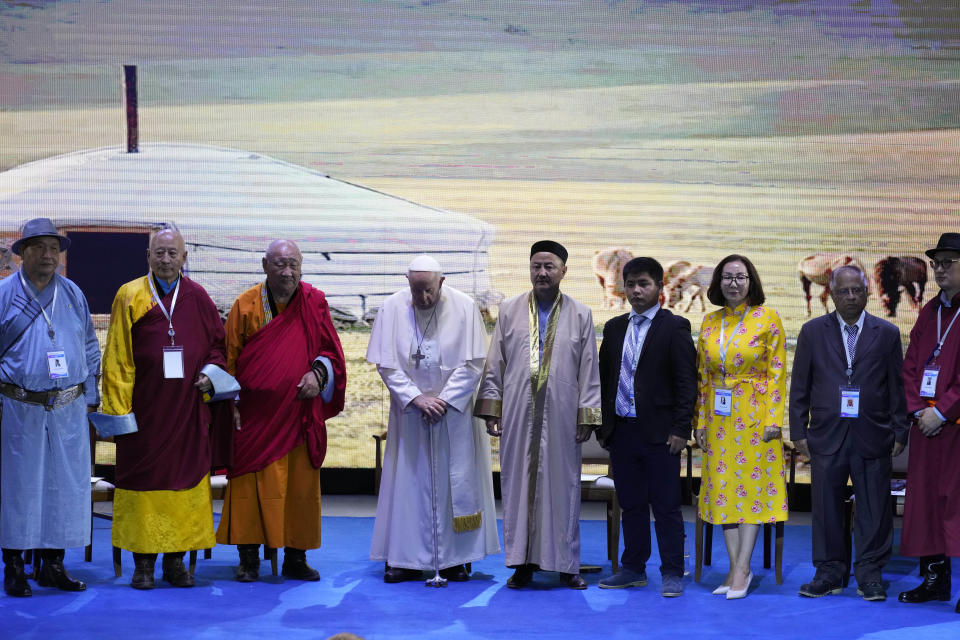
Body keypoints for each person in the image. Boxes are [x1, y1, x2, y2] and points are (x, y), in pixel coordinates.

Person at [95, 227, 235, 590]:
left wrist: (208, 374)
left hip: (188, 412)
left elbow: (218, 349)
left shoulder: (198, 297)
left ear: (184, 258)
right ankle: (143, 564)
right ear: (148, 256)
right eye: (160, 253)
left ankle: (176, 563)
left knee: (183, 485)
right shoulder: (130, 295)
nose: (167, 259)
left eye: (173, 253)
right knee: (144, 485)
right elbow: (117, 360)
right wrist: (120, 412)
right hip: (144, 414)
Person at [215, 239, 346, 582]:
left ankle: (295, 557)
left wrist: (319, 375)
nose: (287, 272)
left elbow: (332, 352)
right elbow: (228, 360)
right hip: (255, 416)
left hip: (300, 414)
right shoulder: (245, 305)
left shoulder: (314, 302)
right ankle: (248, 557)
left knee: (299, 489)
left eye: (293, 265)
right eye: (279, 264)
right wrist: (232, 406)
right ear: (264, 265)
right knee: (249, 487)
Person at [475, 240, 602, 590]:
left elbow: (588, 369)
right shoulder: (511, 310)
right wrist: (491, 408)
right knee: (517, 487)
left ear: (563, 270)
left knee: (563, 488)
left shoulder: (580, 313)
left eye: (549, 266)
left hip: (562, 416)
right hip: (517, 413)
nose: (542, 272)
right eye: (536, 266)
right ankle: (522, 564)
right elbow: (495, 363)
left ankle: (566, 565)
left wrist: (586, 416)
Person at [367, 255, 499, 583]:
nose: (424, 299)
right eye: (417, 291)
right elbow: (386, 364)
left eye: (429, 291)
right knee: (409, 484)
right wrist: (416, 398)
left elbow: (472, 364)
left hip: (452, 415)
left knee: (454, 483)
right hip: (411, 415)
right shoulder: (392, 308)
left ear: (441, 282)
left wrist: (442, 400)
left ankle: (456, 558)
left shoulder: (465, 307)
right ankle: (405, 559)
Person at [790, 265, 907, 601]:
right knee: (826, 507)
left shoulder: (886, 333)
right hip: (826, 435)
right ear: (832, 293)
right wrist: (799, 432)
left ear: (867, 291)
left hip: (873, 433)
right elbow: (800, 387)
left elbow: (896, 389)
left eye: (857, 290)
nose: (851, 297)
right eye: (844, 291)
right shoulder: (812, 332)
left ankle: (869, 574)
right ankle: (829, 572)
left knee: (874, 507)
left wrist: (900, 430)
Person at [1, 218, 100, 597]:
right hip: (18, 407)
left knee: (64, 487)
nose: (48, 255)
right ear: (22, 253)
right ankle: (13, 566)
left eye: (53, 248)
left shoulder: (72, 293)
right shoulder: (5, 294)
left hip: (68, 410)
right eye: (39, 248)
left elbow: (90, 345)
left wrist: (91, 397)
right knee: (20, 488)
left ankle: (53, 565)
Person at [596, 257, 697, 596]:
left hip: (661, 435)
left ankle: (672, 570)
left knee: (666, 506)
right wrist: (604, 429)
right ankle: (633, 567)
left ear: (658, 288)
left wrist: (682, 429)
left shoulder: (675, 327)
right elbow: (605, 380)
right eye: (631, 284)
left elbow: (687, 383)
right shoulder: (613, 328)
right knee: (632, 503)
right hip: (622, 433)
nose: (637, 290)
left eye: (644, 284)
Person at [693, 254, 788, 599]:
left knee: (751, 492)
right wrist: (700, 420)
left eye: (741, 277)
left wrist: (774, 421)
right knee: (723, 491)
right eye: (728, 277)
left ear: (752, 282)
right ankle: (735, 569)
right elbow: (703, 376)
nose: (734, 283)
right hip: (718, 419)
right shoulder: (709, 321)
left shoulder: (769, 318)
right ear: (718, 282)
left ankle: (743, 568)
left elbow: (778, 374)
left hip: (754, 416)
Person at [898, 232, 960, 613]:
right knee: (926, 506)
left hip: (954, 426)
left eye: (948, 262)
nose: (939, 269)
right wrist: (919, 409)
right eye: (936, 263)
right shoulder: (929, 312)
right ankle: (935, 582)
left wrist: (943, 410)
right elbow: (910, 367)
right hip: (926, 428)